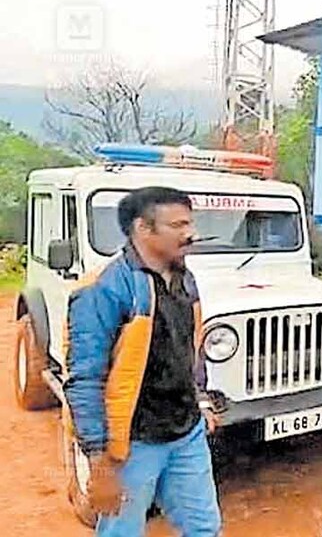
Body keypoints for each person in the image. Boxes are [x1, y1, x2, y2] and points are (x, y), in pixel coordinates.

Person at [65, 186, 221, 536]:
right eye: (178, 225)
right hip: (132, 443)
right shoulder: (103, 289)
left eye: (190, 223)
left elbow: (190, 346)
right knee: (121, 531)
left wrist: (200, 398)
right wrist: (99, 460)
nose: (190, 233)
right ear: (142, 229)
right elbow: (85, 380)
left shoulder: (185, 278)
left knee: (204, 529)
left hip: (186, 433)